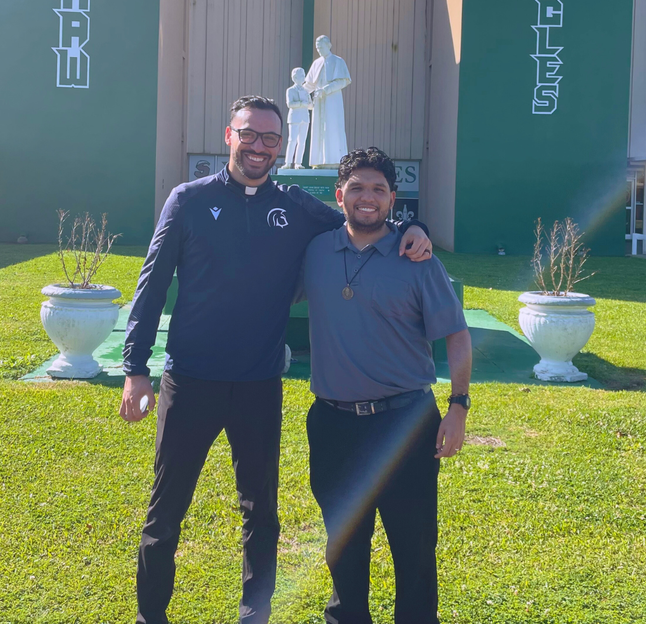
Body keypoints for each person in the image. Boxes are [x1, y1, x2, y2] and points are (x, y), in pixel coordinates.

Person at [119, 97, 433, 624]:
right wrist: (135, 369)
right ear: (229, 135)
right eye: (249, 134)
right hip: (189, 382)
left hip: (259, 385)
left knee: (260, 512)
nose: (258, 146)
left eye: (270, 138)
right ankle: (151, 617)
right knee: (165, 512)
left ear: (281, 146)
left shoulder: (296, 207)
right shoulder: (188, 200)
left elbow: (359, 219)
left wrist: (410, 228)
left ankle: (254, 615)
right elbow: (150, 288)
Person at [301, 147, 473, 624]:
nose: (368, 197)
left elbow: (457, 335)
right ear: (339, 195)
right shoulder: (315, 251)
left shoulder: (417, 258)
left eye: (378, 189)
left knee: (413, 545)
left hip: (405, 423)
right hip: (333, 423)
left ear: (393, 198)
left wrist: (458, 406)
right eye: (356, 187)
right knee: (343, 542)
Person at [303, 35, 351, 168]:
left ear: (329, 45)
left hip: (332, 100)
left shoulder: (338, 61)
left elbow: (343, 81)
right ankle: (319, 161)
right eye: (317, 48)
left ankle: (334, 161)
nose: (319, 50)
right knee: (318, 129)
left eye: (321, 47)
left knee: (333, 127)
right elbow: (310, 84)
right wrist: (299, 92)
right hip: (318, 100)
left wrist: (326, 89)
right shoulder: (316, 63)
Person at [280, 66, 313, 169]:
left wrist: (311, 103)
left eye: (303, 76)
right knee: (292, 140)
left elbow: (311, 106)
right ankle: (288, 163)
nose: (303, 78)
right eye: (301, 76)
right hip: (294, 118)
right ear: (294, 78)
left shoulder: (306, 91)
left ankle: (298, 162)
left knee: (302, 142)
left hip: (305, 118)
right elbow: (290, 104)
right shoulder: (290, 90)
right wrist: (302, 103)